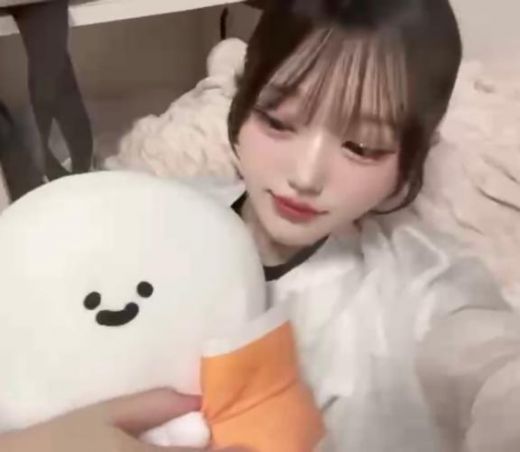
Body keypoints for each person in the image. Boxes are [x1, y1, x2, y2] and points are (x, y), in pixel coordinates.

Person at [3, 0, 520, 451]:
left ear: (410, 161)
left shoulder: (418, 287)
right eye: (277, 121)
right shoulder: (155, 218)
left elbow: (487, 365)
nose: (306, 175)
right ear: (244, 100)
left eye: (361, 147)